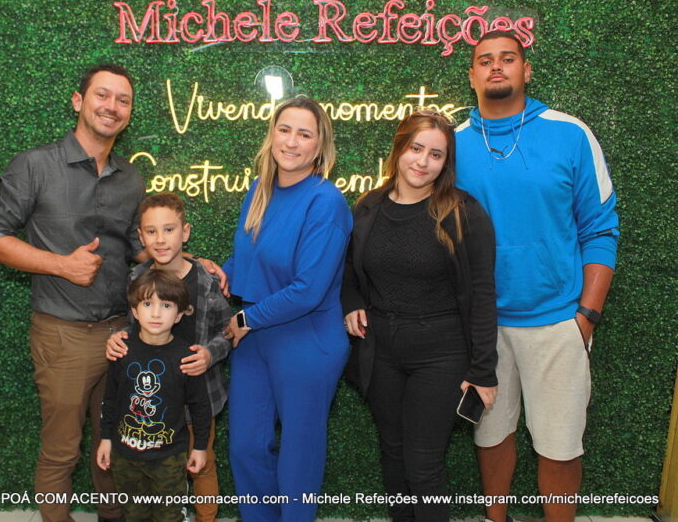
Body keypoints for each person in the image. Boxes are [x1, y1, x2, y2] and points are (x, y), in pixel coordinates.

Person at [455, 31, 620, 522]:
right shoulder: (452, 144)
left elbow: (600, 229)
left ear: (526, 70)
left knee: (560, 445)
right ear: (472, 75)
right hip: (482, 328)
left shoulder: (570, 134)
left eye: (508, 58)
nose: (496, 66)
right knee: (490, 435)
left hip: (557, 322)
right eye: (485, 60)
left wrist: (585, 317)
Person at [0, 64, 142, 522]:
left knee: (117, 444)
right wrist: (61, 265)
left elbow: (135, 247)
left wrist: (188, 262)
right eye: (102, 95)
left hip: (121, 334)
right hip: (63, 336)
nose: (112, 106)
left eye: (123, 100)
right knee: (61, 450)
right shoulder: (34, 165)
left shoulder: (130, 177)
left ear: (129, 112)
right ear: (78, 101)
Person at [341, 110, 498, 521]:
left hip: (442, 354)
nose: (423, 161)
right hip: (381, 352)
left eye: (436, 154)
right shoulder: (368, 207)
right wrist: (351, 301)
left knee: (423, 464)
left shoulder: (464, 213)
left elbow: (483, 294)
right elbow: (349, 271)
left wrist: (483, 370)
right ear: (399, 149)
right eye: (416, 148)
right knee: (393, 456)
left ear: (446, 163)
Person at [222, 96, 353, 522]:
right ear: (272, 135)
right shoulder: (258, 190)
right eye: (284, 130)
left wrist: (247, 318)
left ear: (320, 146)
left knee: (299, 456)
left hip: (306, 341)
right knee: (246, 447)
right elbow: (247, 259)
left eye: (304, 134)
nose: (292, 142)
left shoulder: (326, 202)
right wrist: (216, 273)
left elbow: (308, 289)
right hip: (255, 340)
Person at [105, 192, 232, 522]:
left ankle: (205, 517)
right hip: (151, 402)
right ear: (141, 236)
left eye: (169, 229)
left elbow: (229, 331)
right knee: (152, 471)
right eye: (151, 231)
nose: (160, 239)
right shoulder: (137, 278)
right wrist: (117, 337)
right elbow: (132, 326)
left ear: (185, 232)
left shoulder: (205, 280)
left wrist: (210, 353)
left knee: (200, 463)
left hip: (197, 396)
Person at [97, 268, 211, 522]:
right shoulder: (121, 350)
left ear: (179, 314)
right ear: (135, 311)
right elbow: (110, 399)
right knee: (134, 514)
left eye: (166, 305)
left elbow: (200, 406)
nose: (156, 313)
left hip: (169, 457)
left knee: (169, 516)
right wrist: (106, 438)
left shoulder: (187, 357)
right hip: (125, 456)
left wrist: (200, 447)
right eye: (148, 304)